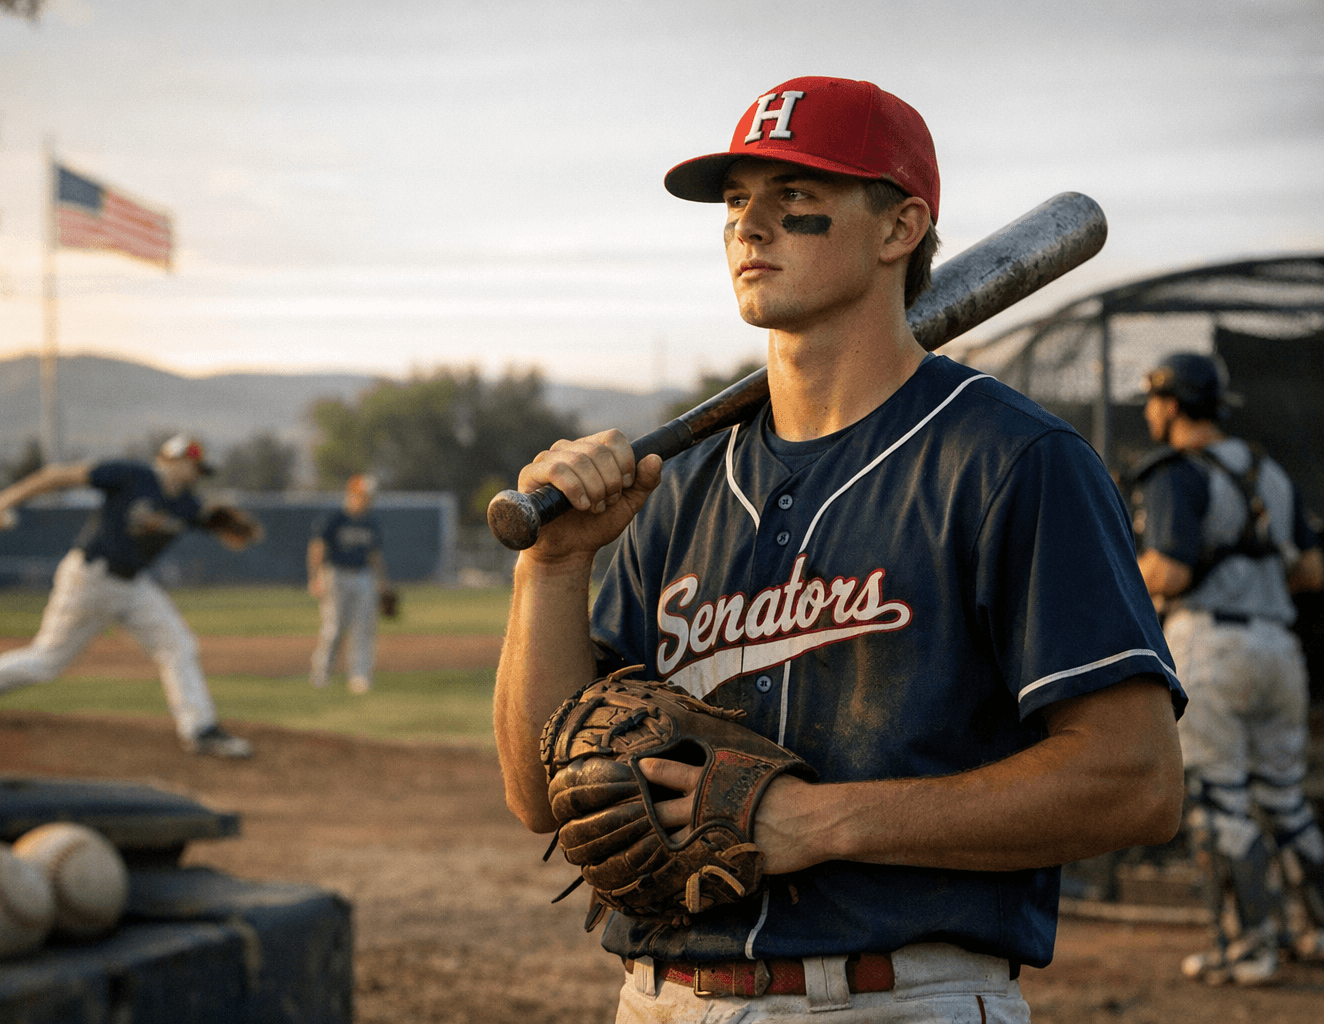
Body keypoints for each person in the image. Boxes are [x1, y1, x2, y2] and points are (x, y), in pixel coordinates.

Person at [493, 75, 1186, 1023]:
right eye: (737, 202)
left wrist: (818, 824)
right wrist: (554, 567)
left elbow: (1135, 781)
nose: (749, 226)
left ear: (900, 229)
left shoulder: (1009, 461)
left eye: (797, 202)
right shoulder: (680, 488)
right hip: (664, 1000)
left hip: (898, 997)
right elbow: (540, 794)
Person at [1132, 351, 1324, 984]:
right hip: (1279, 647)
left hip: (1210, 644)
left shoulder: (1174, 472)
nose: (1150, 411)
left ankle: (1245, 951)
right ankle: (1316, 932)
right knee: (1286, 801)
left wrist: (1116, 579)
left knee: (1220, 802)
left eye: (1154, 399)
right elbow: (1311, 572)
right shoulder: (1268, 470)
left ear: (1174, 402)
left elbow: (1171, 571)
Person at [0, 433, 255, 758]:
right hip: (90, 580)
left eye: (200, 471)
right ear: (174, 460)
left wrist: (232, 527)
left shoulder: (186, 503)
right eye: (194, 466)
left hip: (134, 586)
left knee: (178, 645)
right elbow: (56, 477)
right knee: (46, 662)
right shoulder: (131, 476)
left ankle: (200, 729)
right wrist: (2, 502)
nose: (197, 475)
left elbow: (214, 522)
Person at [309, 473, 390, 694]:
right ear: (351, 495)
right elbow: (318, 548)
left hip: (363, 575)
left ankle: (360, 677)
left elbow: (374, 554)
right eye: (362, 495)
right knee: (334, 626)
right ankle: (322, 673)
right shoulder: (335, 518)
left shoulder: (371, 522)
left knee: (364, 628)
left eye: (368, 496)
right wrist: (315, 577)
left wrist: (382, 581)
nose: (367, 500)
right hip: (335, 574)